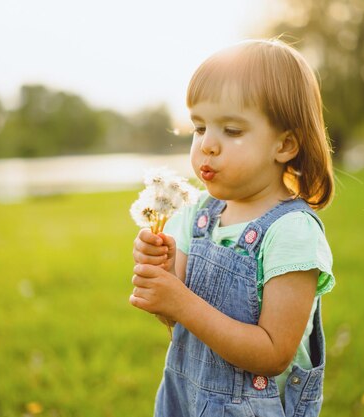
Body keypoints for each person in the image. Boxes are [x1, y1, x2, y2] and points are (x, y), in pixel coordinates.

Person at [130, 39, 336, 417]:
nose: (207, 145)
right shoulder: (197, 217)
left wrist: (179, 299)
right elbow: (177, 320)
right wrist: (161, 276)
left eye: (232, 130)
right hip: (184, 402)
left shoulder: (292, 233)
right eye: (199, 127)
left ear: (285, 144)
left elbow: (273, 354)